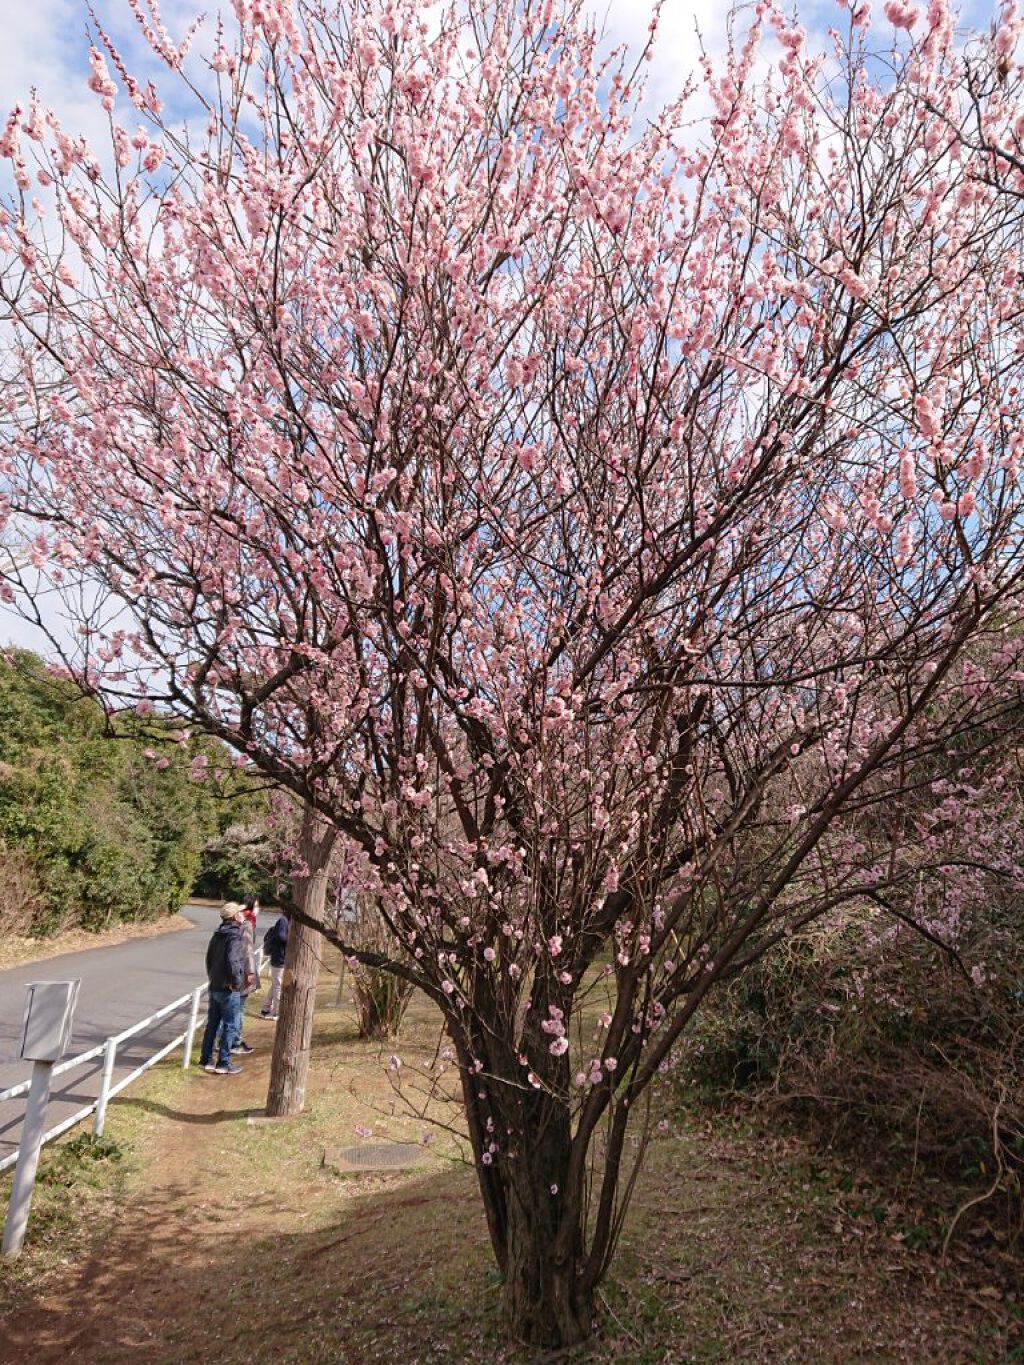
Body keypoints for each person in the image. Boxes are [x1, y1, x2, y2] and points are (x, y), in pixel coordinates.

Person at [198, 903, 247, 1075]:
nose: (243, 915)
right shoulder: (234, 936)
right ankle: (224, 1062)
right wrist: (237, 980)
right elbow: (233, 961)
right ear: (234, 916)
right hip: (228, 987)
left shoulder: (218, 934)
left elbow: (209, 959)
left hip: (216, 985)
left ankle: (206, 1059)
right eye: (240, 912)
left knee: (213, 1024)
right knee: (230, 1025)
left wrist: (213, 977)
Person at [233, 895, 260, 1055]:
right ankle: (235, 1041)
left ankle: (226, 1040)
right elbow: (247, 949)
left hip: (233, 970)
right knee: (238, 1009)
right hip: (242, 972)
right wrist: (250, 971)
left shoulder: (236, 921)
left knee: (231, 1008)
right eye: (256, 906)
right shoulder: (247, 924)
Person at [260, 909, 289, 1019]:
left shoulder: (286, 920)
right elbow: (281, 936)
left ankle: (265, 1008)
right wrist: (293, 939)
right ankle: (275, 1012)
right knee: (278, 986)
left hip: (280, 957)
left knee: (275, 984)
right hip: (279, 958)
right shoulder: (283, 920)